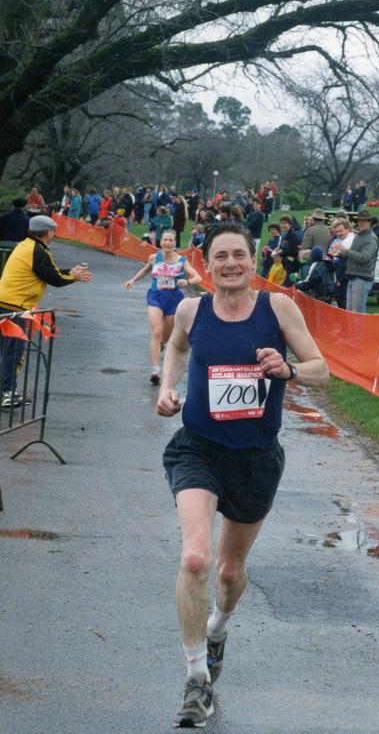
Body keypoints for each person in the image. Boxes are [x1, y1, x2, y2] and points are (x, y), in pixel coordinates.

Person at [156, 221, 328, 728]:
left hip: (256, 457)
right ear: (206, 265)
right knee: (194, 558)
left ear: (253, 260)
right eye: (220, 256)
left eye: (239, 254)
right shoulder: (192, 308)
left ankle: (219, 628)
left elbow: (321, 367)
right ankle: (195, 680)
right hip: (198, 449)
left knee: (229, 573)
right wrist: (167, 387)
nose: (230, 263)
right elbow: (178, 347)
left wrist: (289, 370)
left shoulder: (279, 309)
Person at [0, 215, 91, 406]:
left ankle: (8, 390)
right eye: (53, 232)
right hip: (14, 306)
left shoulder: (26, 245)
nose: (54, 235)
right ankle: (7, 392)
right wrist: (74, 277)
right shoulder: (37, 251)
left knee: (8, 351)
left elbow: (49, 272)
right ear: (47, 232)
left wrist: (69, 273)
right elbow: (55, 279)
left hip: (7, 303)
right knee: (13, 351)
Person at [125, 230, 202, 384]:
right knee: (156, 331)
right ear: (161, 242)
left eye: (170, 240)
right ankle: (155, 370)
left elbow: (198, 277)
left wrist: (186, 282)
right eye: (165, 240)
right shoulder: (154, 258)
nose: (167, 243)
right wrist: (133, 280)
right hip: (155, 296)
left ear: (174, 243)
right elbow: (146, 270)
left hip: (173, 299)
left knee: (165, 337)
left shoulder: (182, 261)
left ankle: (160, 344)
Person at [330, 210, 379, 314]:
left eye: (364, 221)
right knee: (350, 312)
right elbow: (352, 255)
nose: (361, 223)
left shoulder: (371, 239)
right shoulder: (358, 236)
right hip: (352, 277)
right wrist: (339, 254)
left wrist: (345, 250)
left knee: (357, 314)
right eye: (360, 220)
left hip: (362, 278)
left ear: (370, 222)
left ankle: (358, 331)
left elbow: (364, 257)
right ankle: (352, 330)